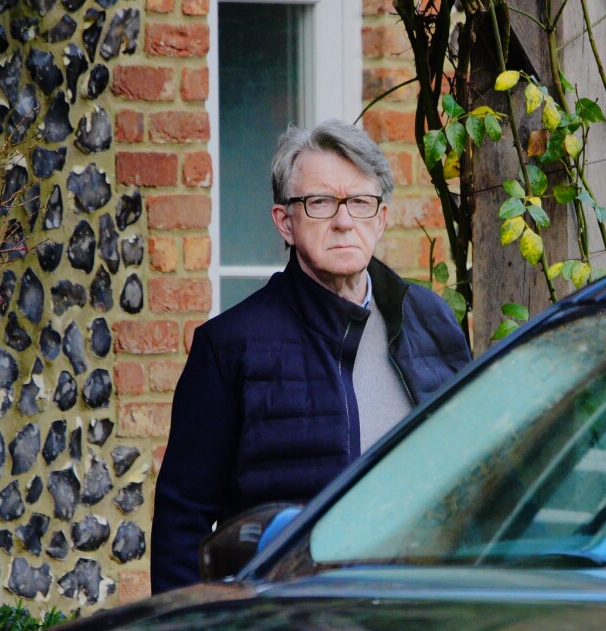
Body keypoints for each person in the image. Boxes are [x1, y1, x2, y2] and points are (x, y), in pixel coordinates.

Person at [150, 120, 472, 593]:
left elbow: (475, 475)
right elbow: (182, 523)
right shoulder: (231, 346)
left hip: (420, 605)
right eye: (320, 202)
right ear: (286, 221)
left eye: (360, 202)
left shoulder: (431, 322)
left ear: (381, 217)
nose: (344, 221)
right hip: (289, 613)